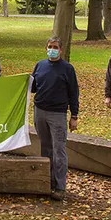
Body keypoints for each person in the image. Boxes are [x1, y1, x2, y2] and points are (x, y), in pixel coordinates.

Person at [31, 37, 79, 201]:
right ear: (46, 48)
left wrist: (74, 116)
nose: (52, 49)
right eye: (50, 46)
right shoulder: (40, 65)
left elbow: (74, 93)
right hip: (40, 112)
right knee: (46, 148)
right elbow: (33, 87)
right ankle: (47, 182)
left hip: (57, 114)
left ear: (61, 50)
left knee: (59, 151)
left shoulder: (67, 69)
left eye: (55, 47)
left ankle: (59, 186)